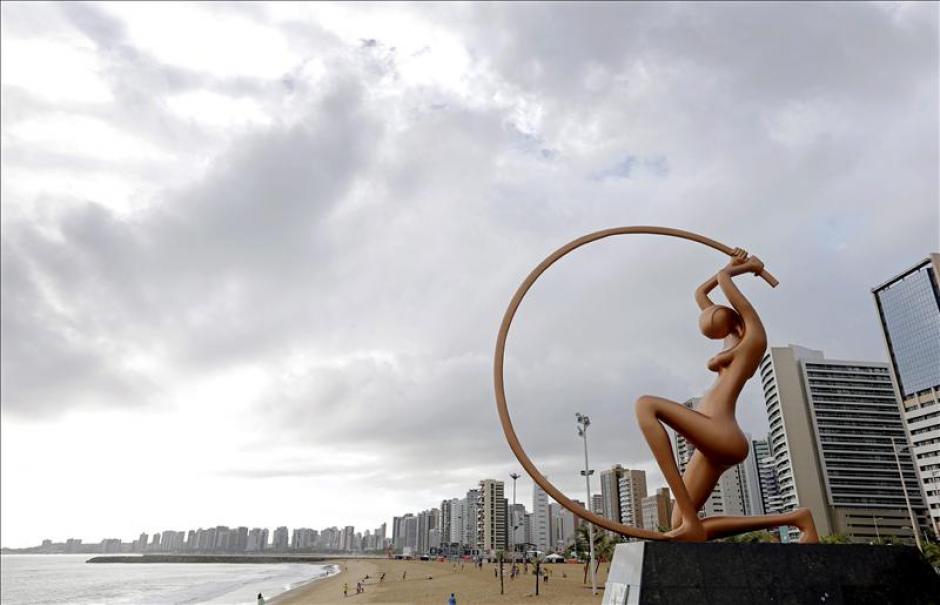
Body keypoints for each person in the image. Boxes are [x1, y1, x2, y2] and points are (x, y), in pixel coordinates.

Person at [635, 251, 818, 542]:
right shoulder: (729, 339)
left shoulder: (753, 339)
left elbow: (723, 282)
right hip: (709, 439)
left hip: (721, 431)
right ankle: (797, 518)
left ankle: (689, 514)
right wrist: (732, 265)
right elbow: (701, 291)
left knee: (646, 405)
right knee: (681, 526)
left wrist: (743, 268)